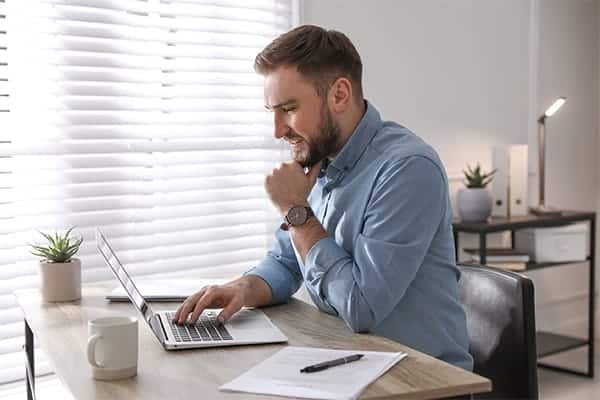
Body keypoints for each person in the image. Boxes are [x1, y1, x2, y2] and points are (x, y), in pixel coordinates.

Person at [174, 24, 473, 371]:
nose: (277, 131)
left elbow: (361, 307)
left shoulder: (407, 169)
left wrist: (295, 209)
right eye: (272, 112)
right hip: (347, 365)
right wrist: (243, 288)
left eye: (288, 108)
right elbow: (287, 261)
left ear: (340, 95)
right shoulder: (321, 160)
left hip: (421, 381)